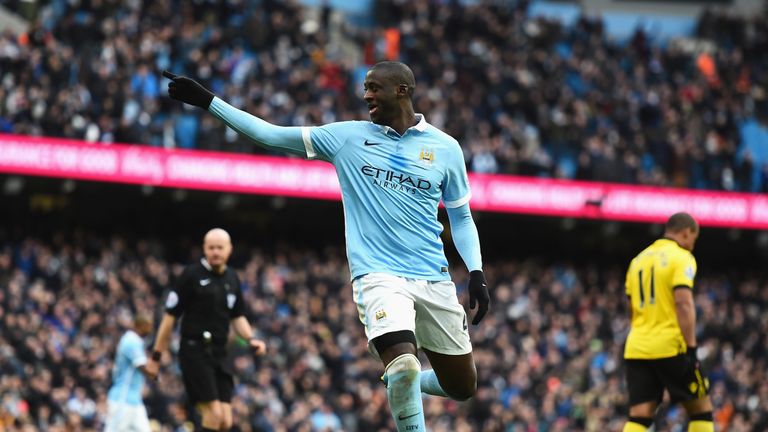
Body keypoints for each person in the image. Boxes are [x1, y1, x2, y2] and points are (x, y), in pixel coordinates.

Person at [162, 61, 491, 431]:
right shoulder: (347, 138)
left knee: (463, 386)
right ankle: (405, 391)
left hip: (433, 278)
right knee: (403, 365)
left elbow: (461, 218)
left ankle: (408, 384)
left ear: (402, 90)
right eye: (365, 87)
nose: (366, 95)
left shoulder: (445, 148)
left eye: (374, 87)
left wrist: (476, 272)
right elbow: (269, 134)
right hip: (379, 275)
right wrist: (208, 101)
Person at [145, 228, 267, 432]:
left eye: (220, 247)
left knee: (226, 420)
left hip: (220, 354)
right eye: (211, 248)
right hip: (195, 351)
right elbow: (169, 318)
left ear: (229, 249)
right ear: (204, 249)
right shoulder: (191, 276)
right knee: (214, 414)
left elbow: (237, 316)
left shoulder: (232, 279)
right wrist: (156, 356)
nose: (215, 252)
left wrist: (250, 338)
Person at [622, 212, 714, 432]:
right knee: (701, 410)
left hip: (637, 347)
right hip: (670, 346)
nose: (692, 244)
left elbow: (631, 307)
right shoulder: (681, 257)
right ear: (686, 232)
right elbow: (683, 303)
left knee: (640, 417)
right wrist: (691, 349)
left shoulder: (638, 261)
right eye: (694, 238)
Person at [105, 313, 154, 432]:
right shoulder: (131, 341)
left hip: (134, 399)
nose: (150, 329)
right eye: (147, 326)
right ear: (139, 326)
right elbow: (146, 370)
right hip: (122, 398)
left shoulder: (135, 341)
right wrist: (157, 355)